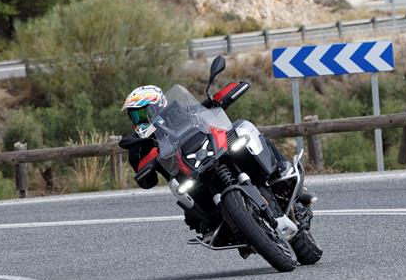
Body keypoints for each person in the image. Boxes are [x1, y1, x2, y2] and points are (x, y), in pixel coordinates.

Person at [118, 84, 314, 204]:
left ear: (159, 104)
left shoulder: (179, 110)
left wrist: (217, 101)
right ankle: (212, 225)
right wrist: (144, 160)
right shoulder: (139, 144)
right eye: (135, 115)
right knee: (186, 205)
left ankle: (283, 173)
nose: (140, 119)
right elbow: (146, 182)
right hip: (190, 178)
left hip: (215, 151)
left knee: (243, 129)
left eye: (144, 112)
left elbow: (203, 110)